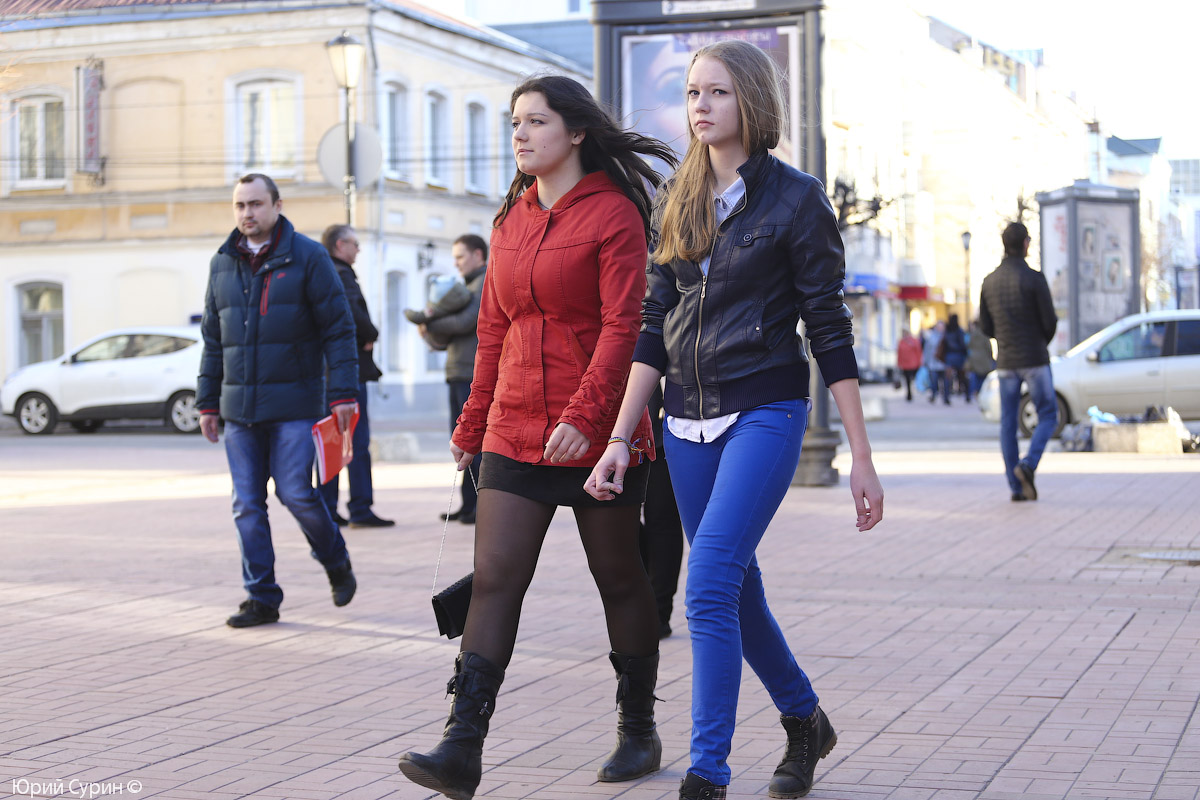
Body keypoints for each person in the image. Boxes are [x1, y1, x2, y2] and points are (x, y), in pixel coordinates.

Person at [585, 40, 884, 800]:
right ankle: (804, 720)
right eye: (693, 92)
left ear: (751, 100)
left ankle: (707, 771)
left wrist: (861, 455)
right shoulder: (675, 197)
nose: (701, 105)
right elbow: (653, 325)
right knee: (735, 586)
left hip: (766, 408)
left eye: (717, 92)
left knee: (708, 584)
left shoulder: (797, 199)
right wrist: (619, 436)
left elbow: (829, 330)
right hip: (684, 419)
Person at [397, 76, 677, 800]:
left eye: (536, 122)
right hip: (515, 426)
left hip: (600, 431)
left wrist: (585, 417)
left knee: (619, 576)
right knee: (495, 578)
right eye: (515, 123)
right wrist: (473, 422)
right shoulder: (510, 220)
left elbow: (624, 327)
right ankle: (462, 747)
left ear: (576, 132)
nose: (520, 135)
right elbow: (494, 328)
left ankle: (639, 729)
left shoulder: (613, 214)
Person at [198, 174, 359, 628]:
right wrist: (207, 402)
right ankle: (261, 597)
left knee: (296, 493)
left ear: (276, 205)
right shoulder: (222, 262)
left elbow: (338, 329)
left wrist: (343, 392)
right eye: (240, 205)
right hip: (238, 412)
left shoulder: (308, 256)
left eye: (255, 204)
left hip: (295, 405)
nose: (247, 213)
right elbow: (213, 339)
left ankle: (334, 558)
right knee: (246, 505)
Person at [404, 234, 488, 524]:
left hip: (471, 374)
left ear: (478, 255)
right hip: (458, 371)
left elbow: (466, 322)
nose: (456, 263)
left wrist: (427, 320)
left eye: (460, 257)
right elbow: (453, 332)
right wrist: (431, 332)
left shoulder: (483, 283)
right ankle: (468, 505)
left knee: (473, 441)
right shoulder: (466, 285)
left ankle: (480, 507)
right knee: (462, 441)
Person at [317, 224, 392, 529]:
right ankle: (360, 508)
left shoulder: (321, 272)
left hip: (327, 371)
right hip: (348, 371)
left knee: (331, 443)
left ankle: (328, 509)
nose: (358, 249)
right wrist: (370, 333)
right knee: (356, 442)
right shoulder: (342, 274)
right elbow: (352, 315)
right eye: (354, 243)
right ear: (339, 245)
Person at [978, 222, 1058, 502]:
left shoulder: (989, 281)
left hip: (1006, 360)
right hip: (1034, 357)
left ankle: (1016, 487)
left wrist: (1004, 338)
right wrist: (1039, 341)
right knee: (1049, 414)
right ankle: (1028, 464)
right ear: (1025, 244)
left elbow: (985, 326)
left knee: (1008, 424)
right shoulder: (1035, 279)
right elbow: (1050, 321)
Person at [638, 382, 684, 639]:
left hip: (662, 427)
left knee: (662, 521)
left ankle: (658, 612)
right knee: (619, 524)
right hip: (609, 424)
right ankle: (638, 600)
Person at [966, 318, 995, 401]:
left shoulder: (973, 334)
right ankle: (981, 392)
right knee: (983, 377)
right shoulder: (985, 334)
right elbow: (989, 347)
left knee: (975, 377)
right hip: (984, 358)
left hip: (974, 358)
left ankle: (974, 392)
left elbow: (969, 345)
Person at [941, 313, 968, 402]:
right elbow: (963, 344)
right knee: (962, 376)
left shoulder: (947, 330)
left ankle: (946, 396)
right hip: (958, 355)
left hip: (949, 355)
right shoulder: (959, 331)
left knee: (948, 377)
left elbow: (944, 343)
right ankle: (967, 395)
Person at [922, 320, 948, 403]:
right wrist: (925, 361)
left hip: (944, 363)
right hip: (933, 363)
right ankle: (934, 395)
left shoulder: (946, 336)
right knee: (934, 381)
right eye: (939, 327)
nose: (940, 328)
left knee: (945, 381)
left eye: (942, 327)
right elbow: (927, 350)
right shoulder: (931, 337)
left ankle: (946, 397)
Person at [896, 328, 923, 402]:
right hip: (905, 364)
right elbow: (899, 353)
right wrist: (898, 363)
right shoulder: (901, 342)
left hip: (913, 363)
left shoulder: (914, 341)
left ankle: (911, 391)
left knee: (911, 378)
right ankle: (909, 393)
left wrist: (919, 362)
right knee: (907, 379)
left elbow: (918, 351)